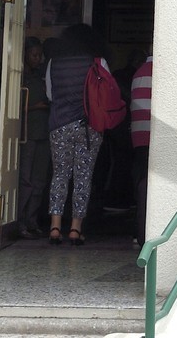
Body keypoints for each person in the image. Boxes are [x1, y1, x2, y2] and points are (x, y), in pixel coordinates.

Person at [45, 23, 107, 246]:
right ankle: (75, 229)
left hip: (59, 125)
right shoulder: (96, 63)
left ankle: (54, 226)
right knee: (83, 177)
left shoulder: (54, 63)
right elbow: (106, 93)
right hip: (87, 126)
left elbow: (50, 95)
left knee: (60, 174)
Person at [17, 37, 50, 238]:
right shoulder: (19, 77)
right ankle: (19, 222)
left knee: (39, 180)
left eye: (40, 55)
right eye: (34, 55)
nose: (38, 59)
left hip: (43, 132)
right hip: (27, 133)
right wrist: (35, 107)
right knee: (25, 180)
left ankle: (32, 220)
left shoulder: (42, 76)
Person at [128, 52, 153, 245]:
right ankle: (146, 231)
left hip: (138, 134)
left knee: (140, 184)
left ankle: (137, 232)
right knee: (149, 186)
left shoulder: (138, 73)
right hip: (154, 134)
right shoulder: (161, 72)